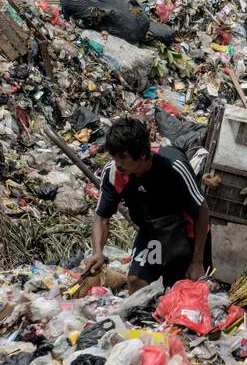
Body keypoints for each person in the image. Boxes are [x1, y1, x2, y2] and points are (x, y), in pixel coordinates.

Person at [84, 117, 212, 291]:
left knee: (183, 291)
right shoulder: (114, 173)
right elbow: (102, 217)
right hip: (151, 230)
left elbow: (202, 211)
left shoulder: (173, 166)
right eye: (114, 157)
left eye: (122, 157)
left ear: (143, 154)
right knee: (137, 282)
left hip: (185, 231)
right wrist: (97, 251)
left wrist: (197, 261)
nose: (117, 163)